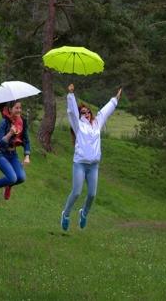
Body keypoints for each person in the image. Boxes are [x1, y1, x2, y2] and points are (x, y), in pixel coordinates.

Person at [60, 83, 122, 231]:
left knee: (92, 194)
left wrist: (115, 99)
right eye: (83, 112)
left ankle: (84, 213)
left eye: (87, 112)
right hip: (80, 164)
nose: (86, 114)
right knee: (76, 192)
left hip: (93, 166)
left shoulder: (97, 123)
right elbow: (72, 113)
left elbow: (105, 112)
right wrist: (70, 95)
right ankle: (66, 214)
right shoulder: (78, 125)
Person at [0, 100, 31, 204]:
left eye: (20, 108)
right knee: (12, 178)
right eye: (16, 108)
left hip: (13, 155)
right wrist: (10, 134)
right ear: (10, 109)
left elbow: (26, 139)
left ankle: (8, 185)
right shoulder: (4, 122)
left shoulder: (22, 122)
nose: (19, 110)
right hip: (1, 155)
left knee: (21, 178)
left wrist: (27, 156)